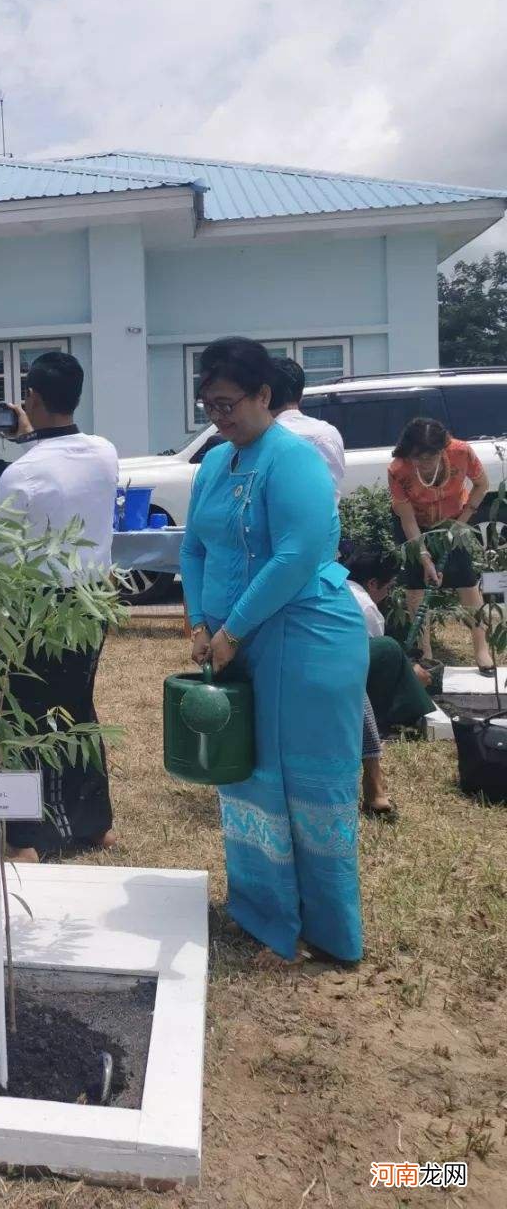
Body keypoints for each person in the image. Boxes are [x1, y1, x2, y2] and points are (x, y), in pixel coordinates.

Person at [180, 336, 368, 967]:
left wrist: (231, 630)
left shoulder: (294, 459)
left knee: (306, 785)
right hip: (237, 638)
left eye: (229, 403)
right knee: (249, 777)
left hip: (305, 635)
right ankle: (264, 913)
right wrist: (201, 621)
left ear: (265, 395)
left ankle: (324, 930)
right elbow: (195, 547)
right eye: (209, 405)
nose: (219, 416)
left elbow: (298, 553)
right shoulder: (215, 463)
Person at [0, 350, 119, 863]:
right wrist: (31, 438)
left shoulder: (20, 476)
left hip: (36, 606)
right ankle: (95, 824)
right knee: (78, 710)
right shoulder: (105, 452)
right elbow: (65, 462)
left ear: (33, 398)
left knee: (24, 718)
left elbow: (2, 558)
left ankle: (28, 840)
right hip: (91, 600)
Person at [388, 417, 492, 672]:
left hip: (455, 520)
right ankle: (425, 654)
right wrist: (424, 558)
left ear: (442, 450)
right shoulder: (398, 470)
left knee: (467, 581)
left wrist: (462, 522)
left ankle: (481, 648)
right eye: (417, 458)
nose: (423, 464)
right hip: (415, 525)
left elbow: (482, 485)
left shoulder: (461, 452)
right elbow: (408, 520)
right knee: (416, 587)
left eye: (430, 457)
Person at [345, 546, 436, 819]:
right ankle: (414, 699)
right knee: (388, 650)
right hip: (347, 670)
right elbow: (371, 655)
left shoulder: (339, 588)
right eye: (388, 587)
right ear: (372, 583)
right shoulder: (365, 606)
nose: (387, 594)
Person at [269, 357, 346, 500]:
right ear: (301, 394)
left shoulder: (261, 438)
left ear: (263, 395)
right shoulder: (328, 432)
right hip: (328, 519)